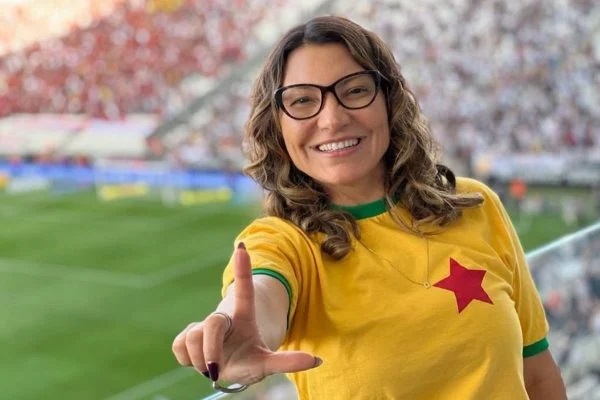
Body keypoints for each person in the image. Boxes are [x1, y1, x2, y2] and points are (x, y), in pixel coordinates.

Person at [172, 15, 567, 399]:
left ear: (389, 101)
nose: (332, 119)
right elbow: (262, 292)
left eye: (355, 91)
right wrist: (238, 327)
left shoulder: (475, 206)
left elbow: (537, 374)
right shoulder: (283, 243)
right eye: (303, 100)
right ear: (277, 125)